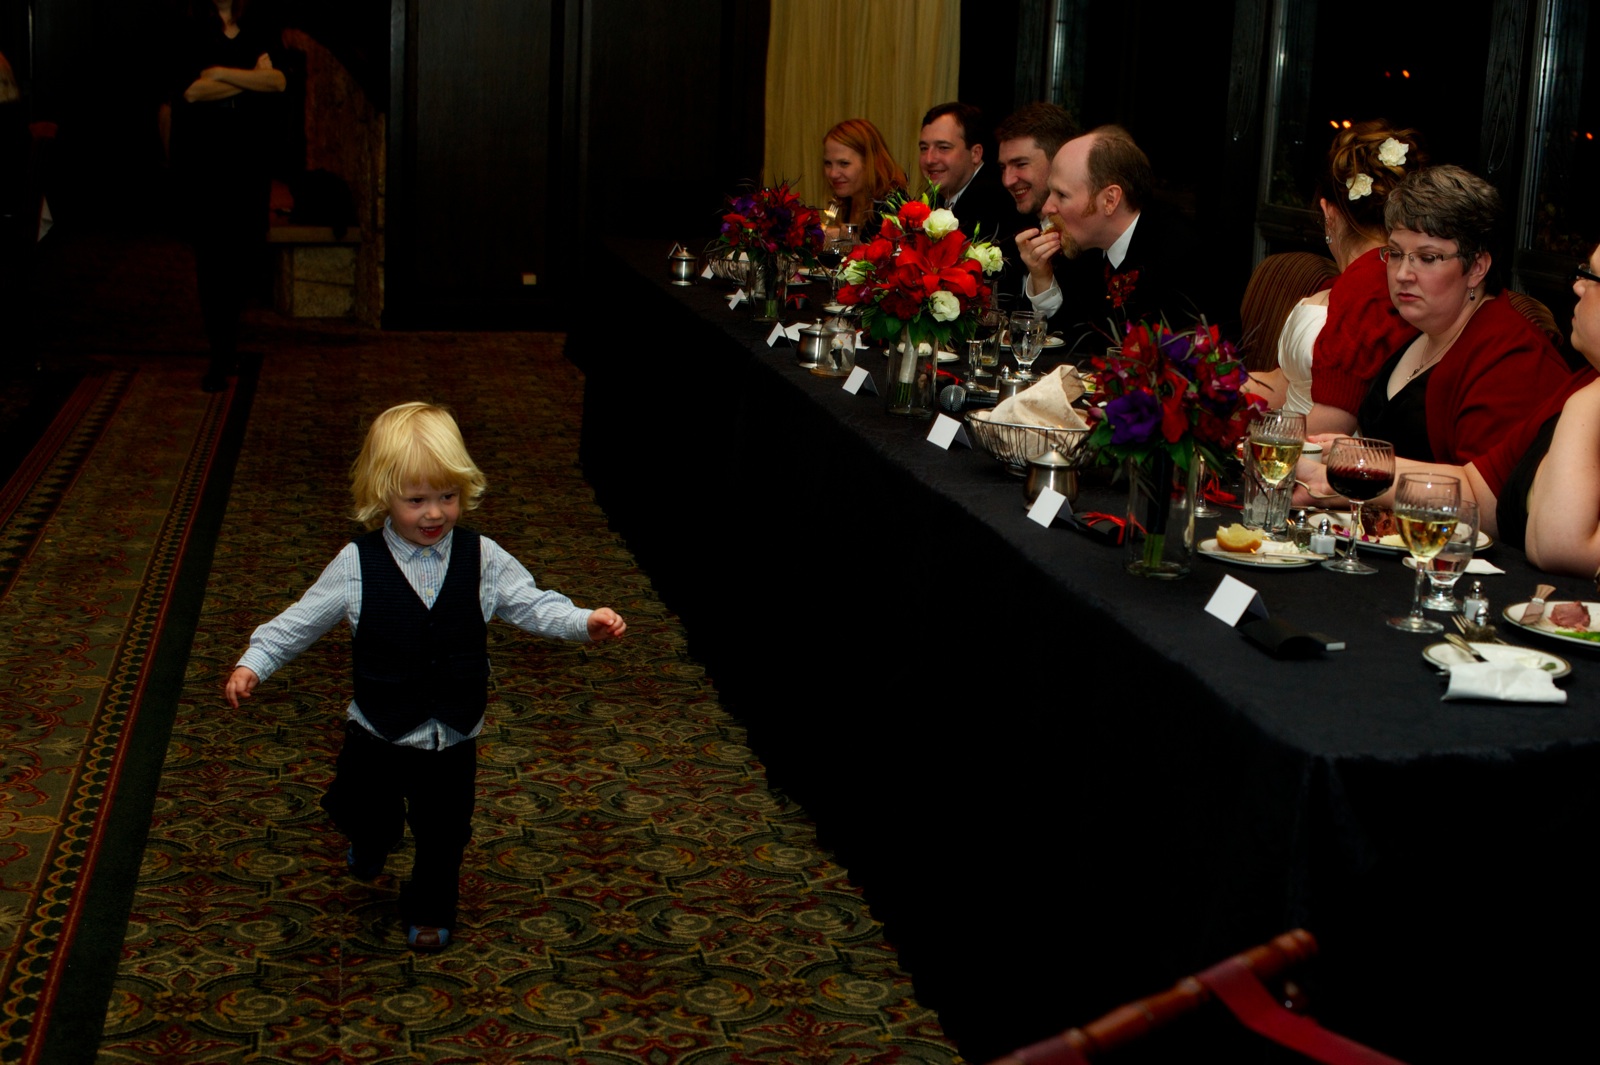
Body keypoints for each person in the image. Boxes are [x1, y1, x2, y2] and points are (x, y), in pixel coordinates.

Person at [223, 402, 628, 952]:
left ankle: (432, 907)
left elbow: (531, 604)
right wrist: (256, 660)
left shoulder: (482, 557)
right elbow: (301, 620)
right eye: (416, 500)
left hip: (454, 734)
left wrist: (583, 622)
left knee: (445, 834)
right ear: (382, 496)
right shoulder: (356, 563)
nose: (434, 513)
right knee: (369, 816)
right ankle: (369, 841)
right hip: (379, 731)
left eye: (448, 496)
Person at [1298, 247, 1600, 577]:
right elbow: (1479, 494)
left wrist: (1587, 401)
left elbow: (1558, 545)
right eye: (1395, 253)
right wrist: (1344, 475)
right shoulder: (1583, 382)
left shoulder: (1532, 363)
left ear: (1476, 269)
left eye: (1594, 278)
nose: (1578, 286)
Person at [1354, 165, 1572, 464]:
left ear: (1477, 268)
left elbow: (1479, 499)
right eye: (1395, 254)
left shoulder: (1514, 358)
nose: (1402, 273)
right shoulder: (1423, 329)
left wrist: (1360, 464)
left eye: (1427, 258)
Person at [1246, 121, 1427, 426]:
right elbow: (1283, 385)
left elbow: (1330, 428)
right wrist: (1203, 385)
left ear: (1328, 213)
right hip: (1291, 440)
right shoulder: (1343, 286)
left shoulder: (1371, 292)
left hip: (1320, 456)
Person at [165, 0, 285, 392]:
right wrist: (249, 77)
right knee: (212, 257)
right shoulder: (190, 30)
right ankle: (220, 352)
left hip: (248, 157)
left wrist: (219, 73)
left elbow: (278, 82)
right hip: (206, 157)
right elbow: (194, 93)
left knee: (242, 254)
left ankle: (228, 341)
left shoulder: (259, 27)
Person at [1030, 125, 1210, 338]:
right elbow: (1067, 340)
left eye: (1061, 194)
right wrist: (1041, 277)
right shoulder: (1085, 249)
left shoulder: (1182, 256)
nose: (1047, 208)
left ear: (1110, 200)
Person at [994, 102, 1079, 307]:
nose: (1007, 180)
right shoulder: (1011, 227)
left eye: (1020, 164)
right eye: (1003, 167)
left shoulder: (1086, 235)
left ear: (1059, 160)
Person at [917, 102, 1018, 245]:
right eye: (924, 148)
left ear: (975, 154)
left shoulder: (993, 204)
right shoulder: (934, 200)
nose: (929, 159)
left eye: (943, 148)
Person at [822, 118, 907, 234]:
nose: (833, 174)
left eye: (844, 164)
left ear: (870, 163)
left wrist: (847, 241)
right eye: (828, 163)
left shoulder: (890, 206)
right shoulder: (847, 200)